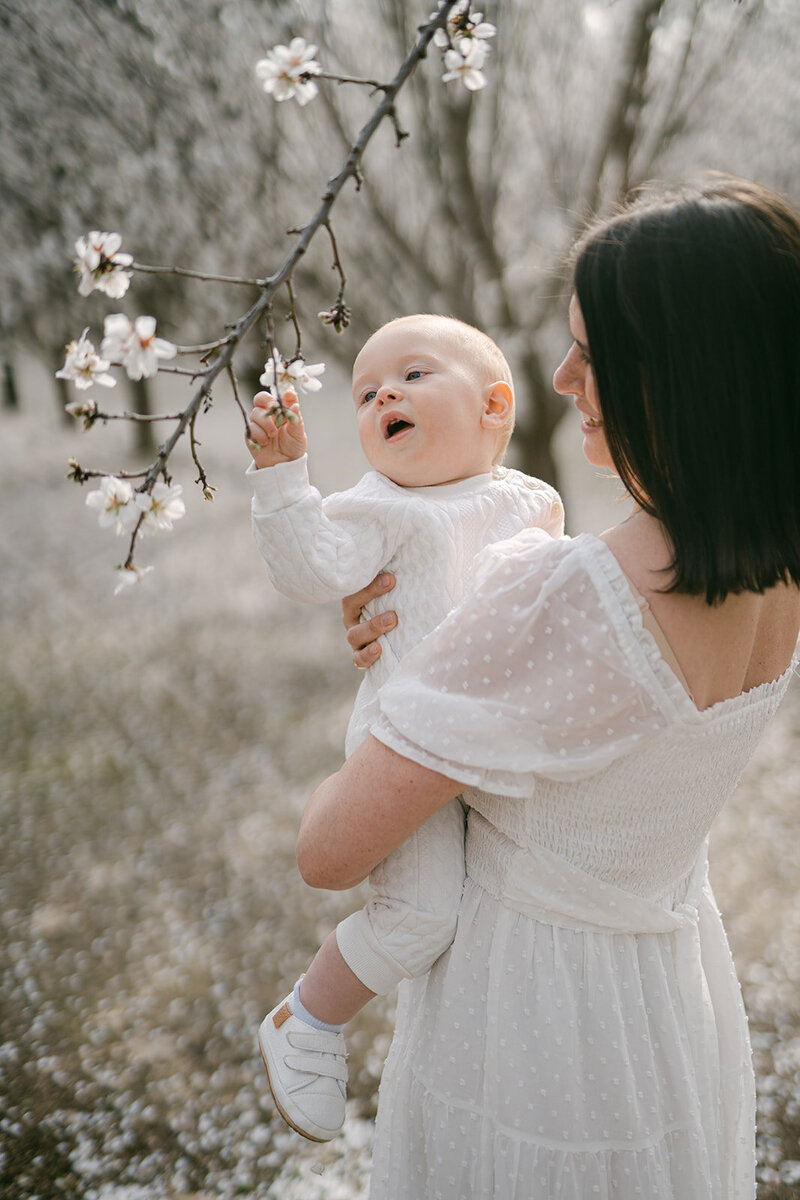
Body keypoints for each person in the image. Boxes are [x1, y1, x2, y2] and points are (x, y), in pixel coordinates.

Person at [296, 177, 800, 1199]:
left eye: (590, 350)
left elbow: (329, 848)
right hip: (663, 1001)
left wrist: (405, 671)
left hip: (528, 1017)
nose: (562, 377)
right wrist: (446, 635)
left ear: (679, 376)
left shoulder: (562, 601)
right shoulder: (778, 566)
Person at [244, 313, 564, 1141]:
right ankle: (307, 1020)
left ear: (496, 408)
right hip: (405, 745)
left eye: (415, 375)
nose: (385, 391)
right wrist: (284, 476)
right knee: (423, 913)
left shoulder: (534, 502)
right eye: (367, 391)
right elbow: (309, 568)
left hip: (501, 749)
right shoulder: (377, 507)